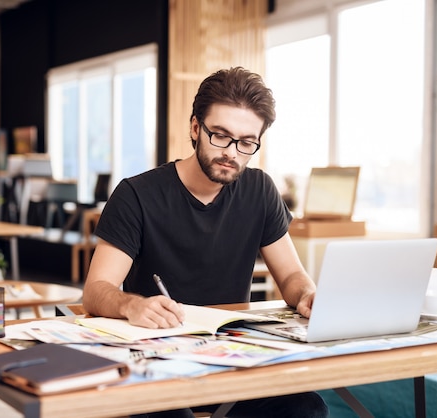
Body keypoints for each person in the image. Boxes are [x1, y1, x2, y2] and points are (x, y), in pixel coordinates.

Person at [82, 67, 328, 418]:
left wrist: (307, 295)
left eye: (246, 142)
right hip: (157, 360)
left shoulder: (260, 190)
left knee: (305, 408)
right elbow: (95, 290)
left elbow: (291, 277)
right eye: (220, 136)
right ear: (195, 128)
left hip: (232, 359)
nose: (232, 152)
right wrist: (131, 305)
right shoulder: (136, 194)